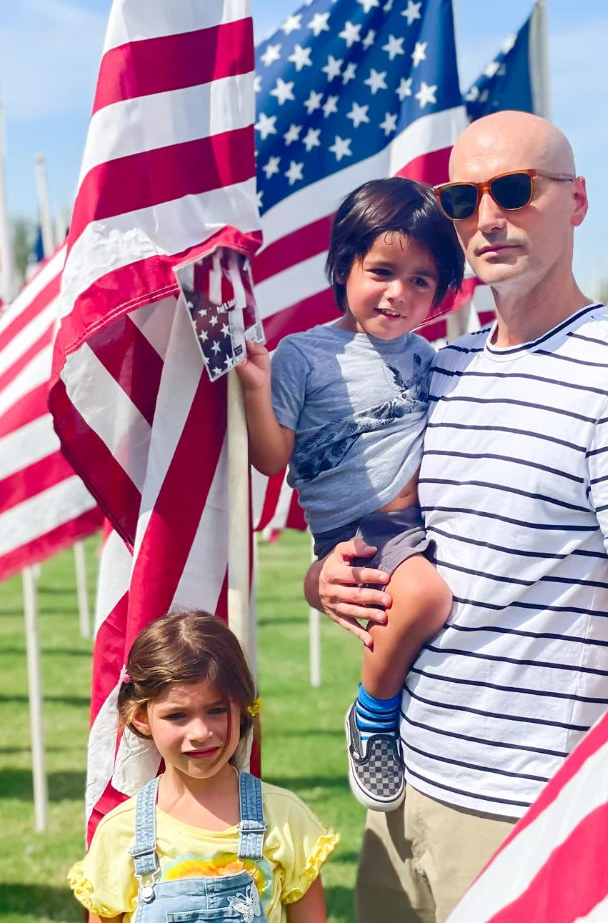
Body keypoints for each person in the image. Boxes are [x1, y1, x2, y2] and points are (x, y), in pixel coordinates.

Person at [309, 111, 608, 923]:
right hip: (403, 790)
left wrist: (604, 817)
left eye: (514, 189)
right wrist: (323, 578)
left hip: (529, 815)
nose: (487, 216)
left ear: (575, 201)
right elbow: (383, 532)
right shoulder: (434, 371)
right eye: (462, 198)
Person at [235, 177, 465, 813]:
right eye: (383, 271)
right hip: (359, 531)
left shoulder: (431, 357)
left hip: (424, 522)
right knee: (424, 595)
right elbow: (269, 456)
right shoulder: (305, 356)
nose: (400, 293)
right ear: (343, 267)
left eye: (422, 281)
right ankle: (372, 716)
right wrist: (256, 389)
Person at [70, 611, 337, 923]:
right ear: (141, 717)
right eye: (177, 715)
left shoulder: (283, 818)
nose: (202, 732)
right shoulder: (123, 832)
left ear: (243, 706)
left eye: (217, 709)